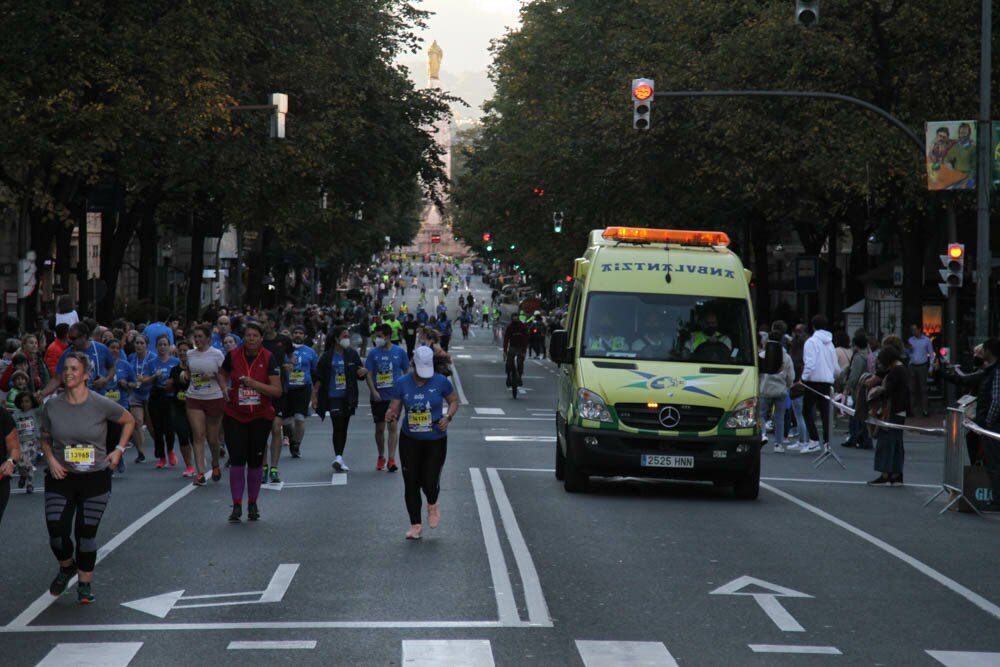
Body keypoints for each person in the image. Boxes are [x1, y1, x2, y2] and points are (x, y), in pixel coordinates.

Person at [40, 352, 135, 603]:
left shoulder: (100, 403)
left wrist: (119, 450)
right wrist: (50, 459)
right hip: (62, 476)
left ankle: (84, 583)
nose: (68, 373)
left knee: (85, 532)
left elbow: (129, 420)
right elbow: (46, 437)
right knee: (56, 530)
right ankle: (66, 566)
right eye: (65, 369)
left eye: (74, 369)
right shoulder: (52, 405)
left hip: (95, 478)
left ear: (86, 374)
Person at [385, 346, 459, 540]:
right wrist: (390, 414)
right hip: (410, 439)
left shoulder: (441, 381)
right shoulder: (402, 383)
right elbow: (394, 407)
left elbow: (453, 401)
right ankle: (415, 524)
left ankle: (432, 504)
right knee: (411, 482)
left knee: (429, 479)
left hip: (435, 439)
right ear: (414, 364)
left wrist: (447, 417)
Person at [217, 322, 282, 523]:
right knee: (237, 458)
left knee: (255, 460)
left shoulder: (269, 358)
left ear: (261, 339)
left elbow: (277, 390)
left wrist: (254, 384)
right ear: (243, 338)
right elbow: (222, 373)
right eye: (248, 335)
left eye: (255, 335)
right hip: (235, 413)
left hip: (260, 415)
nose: (251, 339)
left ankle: (252, 503)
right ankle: (237, 504)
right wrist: (224, 388)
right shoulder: (233, 355)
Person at [312, 326, 367, 473]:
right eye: (344, 336)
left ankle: (340, 457)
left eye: (348, 336)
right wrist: (314, 396)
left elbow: (359, 373)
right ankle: (337, 456)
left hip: (348, 396)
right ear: (336, 339)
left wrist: (362, 372)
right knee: (337, 425)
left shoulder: (352, 354)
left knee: (344, 426)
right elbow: (319, 378)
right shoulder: (327, 357)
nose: (347, 339)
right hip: (333, 396)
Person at [365, 323, 410, 472]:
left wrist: (404, 390)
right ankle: (381, 456)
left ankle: (391, 459)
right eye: (376, 336)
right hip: (378, 397)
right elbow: (369, 373)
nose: (378, 339)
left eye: (380, 336)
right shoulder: (373, 353)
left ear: (389, 336)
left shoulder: (399, 352)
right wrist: (373, 391)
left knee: (392, 426)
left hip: (394, 397)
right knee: (379, 429)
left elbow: (406, 371)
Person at [185, 324, 227, 485]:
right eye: (195, 337)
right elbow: (187, 371)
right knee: (198, 435)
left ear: (208, 338)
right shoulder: (190, 354)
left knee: (212, 439)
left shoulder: (217, 354)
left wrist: (213, 375)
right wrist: (184, 374)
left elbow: (224, 375)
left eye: (200, 336)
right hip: (194, 397)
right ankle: (200, 473)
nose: (197, 339)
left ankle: (215, 464)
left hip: (214, 398)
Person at [259, 310, 293, 484]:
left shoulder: (283, 340)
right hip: (261, 390)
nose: (261, 324)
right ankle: (263, 466)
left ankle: (274, 467)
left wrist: (289, 365)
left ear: (272, 323)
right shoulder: (257, 342)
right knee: (263, 431)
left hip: (279, 390)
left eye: (263, 321)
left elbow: (291, 356)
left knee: (276, 427)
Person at [866, 346, 909, 486]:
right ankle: (896, 473)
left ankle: (886, 473)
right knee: (896, 443)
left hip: (892, 410)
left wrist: (876, 392)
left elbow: (888, 391)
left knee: (886, 443)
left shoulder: (895, 371)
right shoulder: (901, 369)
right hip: (900, 410)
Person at [798, 314, 838, 454]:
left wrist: (803, 378)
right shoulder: (831, 343)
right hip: (827, 382)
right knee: (825, 413)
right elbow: (835, 365)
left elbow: (810, 363)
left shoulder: (811, 342)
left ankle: (814, 440)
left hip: (813, 381)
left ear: (813, 326)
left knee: (807, 411)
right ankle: (827, 444)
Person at [142, 334, 179, 469]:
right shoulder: (151, 362)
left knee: (169, 428)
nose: (162, 347)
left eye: (165, 345)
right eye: (160, 345)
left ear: (169, 347)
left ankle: (170, 450)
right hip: (156, 395)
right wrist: (154, 376)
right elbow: (144, 380)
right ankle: (161, 457)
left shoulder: (175, 361)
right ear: (156, 347)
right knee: (157, 428)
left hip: (169, 396)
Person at [104, 338, 138, 474]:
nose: (115, 350)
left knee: (117, 434)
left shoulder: (125, 365)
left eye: (118, 348)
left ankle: (118, 455)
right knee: (108, 436)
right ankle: (111, 459)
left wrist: (127, 384)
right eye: (112, 347)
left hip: (121, 405)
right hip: (104, 406)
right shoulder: (101, 365)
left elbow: (135, 384)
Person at [285, 325, 318, 458]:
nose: (298, 335)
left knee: (299, 418)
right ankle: (292, 438)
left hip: (303, 388)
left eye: (300, 333)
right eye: (295, 333)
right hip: (287, 389)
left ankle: (296, 444)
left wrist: (316, 392)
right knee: (286, 422)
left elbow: (315, 371)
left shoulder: (310, 352)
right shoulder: (285, 351)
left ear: (304, 336)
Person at [759, 331, 794, 453]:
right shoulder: (787, 357)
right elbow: (791, 376)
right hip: (781, 390)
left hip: (765, 388)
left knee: (761, 414)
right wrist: (788, 386)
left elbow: (759, 374)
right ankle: (778, 444)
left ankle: (763, 434)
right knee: (779, 417)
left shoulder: (763, 355)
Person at [975, 339, 1000, 508]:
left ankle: (997, 498)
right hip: (990, 422)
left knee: (994, 462)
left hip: (993, 424)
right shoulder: (990, 371)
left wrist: (988, 422)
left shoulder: (996, 371)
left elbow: (997, 399)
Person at [167, 339, 195, 477]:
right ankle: (189, 465)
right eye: (181, 350)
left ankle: (200, 462)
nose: (183, 353)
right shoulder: (174, 369)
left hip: (195, 405)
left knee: (194, 436)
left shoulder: (196, 367)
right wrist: (169, 383)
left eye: (186, 350)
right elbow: (169, 387)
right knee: (182, 434)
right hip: (178, 405)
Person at [841, 332, 873, 449]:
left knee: (855, 414)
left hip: (859, 389)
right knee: (861, 414)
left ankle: (856, 437)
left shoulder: (859, 357)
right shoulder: (868, 354)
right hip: (865, 388)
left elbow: (855, 375)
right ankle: (862, 438)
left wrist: (848, 385)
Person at [126, 334, 152, 463]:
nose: (139, 345)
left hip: (150, 393)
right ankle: (141, 452)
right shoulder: (131, 357)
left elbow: (156, 375)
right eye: (137, 343)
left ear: (147, 345)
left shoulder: (152, 357)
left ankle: (161, 449)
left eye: (142, 343)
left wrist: (146, 379)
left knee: (152, 425)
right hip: (136, 394)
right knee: (137, 422)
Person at [12, 391, 40, 493]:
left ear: (32, 402)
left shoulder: (35, 412)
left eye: (27, 401)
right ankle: (23, 475)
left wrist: (40, 398)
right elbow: (12, 426)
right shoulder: (16, 414)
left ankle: (30, 484)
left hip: (33, 441)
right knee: (21, 463)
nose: (25, 404)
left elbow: (43, 409)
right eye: (22, 402)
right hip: (20, 442)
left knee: (29, 463)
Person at [906, 324, 933, 417]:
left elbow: (931, 353)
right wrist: (908, 350)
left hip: (922, 365)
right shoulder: (910, 340)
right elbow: (908, 353)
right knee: (912, 389)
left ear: (919, 329)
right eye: (912, 330)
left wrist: (931, 366)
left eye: (915, 330)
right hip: (912, 365)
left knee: (923, 389)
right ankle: (912, 410)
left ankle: (925, 410)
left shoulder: (926, 340)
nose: (913, 332)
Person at [503, 316, 529, 387]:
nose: (515, 322)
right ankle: (508, 376)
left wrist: (524, 351)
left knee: (520, 363)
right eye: (513, 320)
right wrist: (505, 351)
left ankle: (519, 377)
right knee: (509, 363)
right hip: (512, 347)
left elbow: (525, 339)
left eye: (516, 320)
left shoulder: (522, 327)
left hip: (520, 348)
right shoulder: (510, 327)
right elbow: (506, 338)